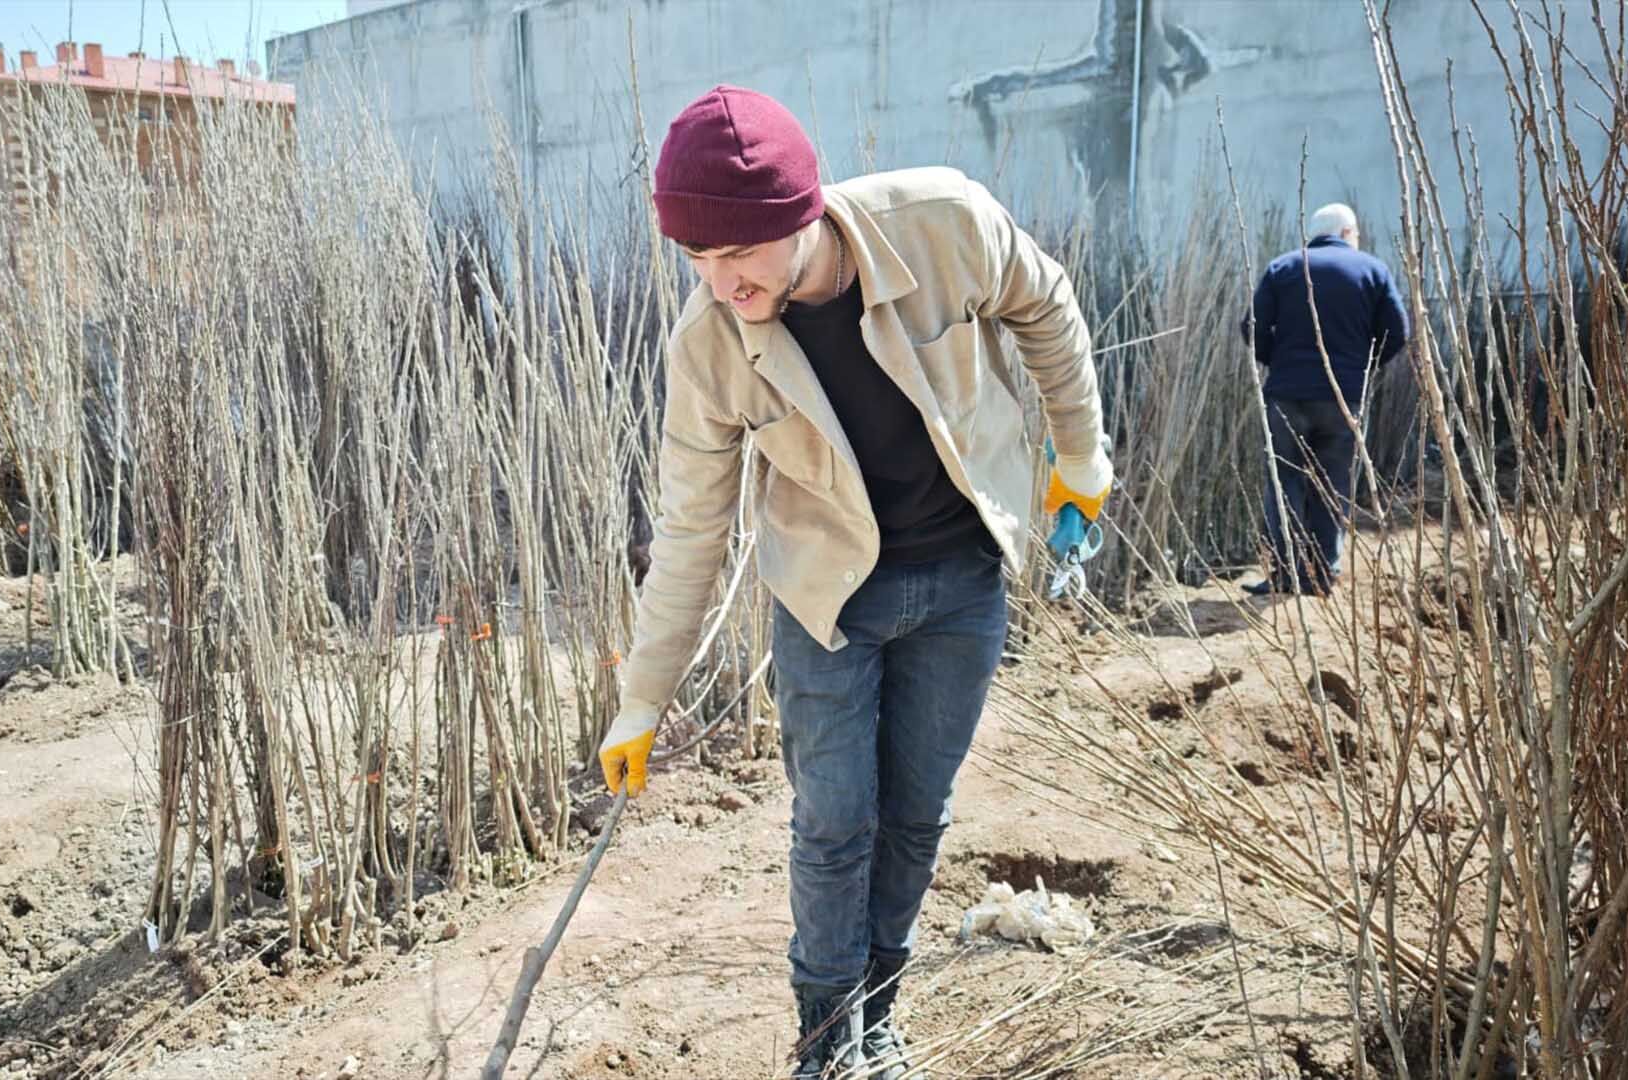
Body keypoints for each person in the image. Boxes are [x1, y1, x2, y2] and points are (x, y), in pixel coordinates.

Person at [594, 86, 1111, 1079]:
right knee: (836, 821)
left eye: (737, 252)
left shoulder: (943, 223)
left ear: (799, 213)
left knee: (916, 815)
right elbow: (693, 530)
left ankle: (880, 1011)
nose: (718, 281)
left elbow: (1044, 304)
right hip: (830, 601)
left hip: (962, 578)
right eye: (695, 258)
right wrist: (641, 700)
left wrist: (1079, 453)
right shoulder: (708, 346)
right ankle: (827, 1039)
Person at [1240, 203, 1409, 596]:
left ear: (1312, 235)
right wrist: (1363, 367)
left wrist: (1274, 360)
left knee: (1285, 482)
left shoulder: (1283, 267)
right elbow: (1398, 331)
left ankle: (1286, 575)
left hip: (1287, 394)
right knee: (1333, 483)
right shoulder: (1373, 271)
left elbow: (1252, 326)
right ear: (1349, 232)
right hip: (1343, 398)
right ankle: (1324, 574)